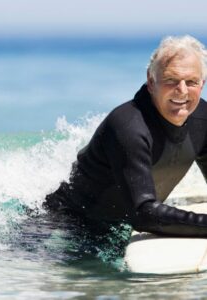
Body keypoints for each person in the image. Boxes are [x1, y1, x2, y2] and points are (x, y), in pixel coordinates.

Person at [43, 35, 207, 237]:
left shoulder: (202, 119)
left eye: (191, 82)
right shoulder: (128, 126)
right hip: (62, 229)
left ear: (203, 83)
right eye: (170, 80)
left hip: (117, 228)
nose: (182, 92)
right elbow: (144, 214)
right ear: (151, 80)